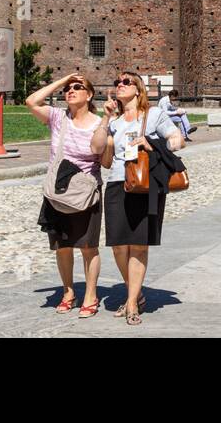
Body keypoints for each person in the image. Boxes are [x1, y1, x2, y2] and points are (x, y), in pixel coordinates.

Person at [89, 72, 184, 326]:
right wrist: (106, 117)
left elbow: (177, 140)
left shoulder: (153, 115)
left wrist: (153, 144)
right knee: (119, 245)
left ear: (138, 89)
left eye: (126, 82)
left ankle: (131, 302)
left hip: (145, 185)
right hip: (118, 184)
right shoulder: (115, 121)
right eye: (117, 82)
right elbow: (97, 149)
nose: (120, 85)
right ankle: (138, 292)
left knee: (139, 245)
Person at [28, 73, 104, 319]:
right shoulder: (58, 117)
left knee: (88, 247)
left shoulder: (98, 123)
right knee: (62, 247)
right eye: (68, 89)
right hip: (58, 191)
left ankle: (90, 295)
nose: (71, 91)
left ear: (89, 95)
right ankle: (68, 292)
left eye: (77, 87)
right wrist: (62, 80)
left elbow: (102, 154)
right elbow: (31, 101)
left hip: (85, 193)